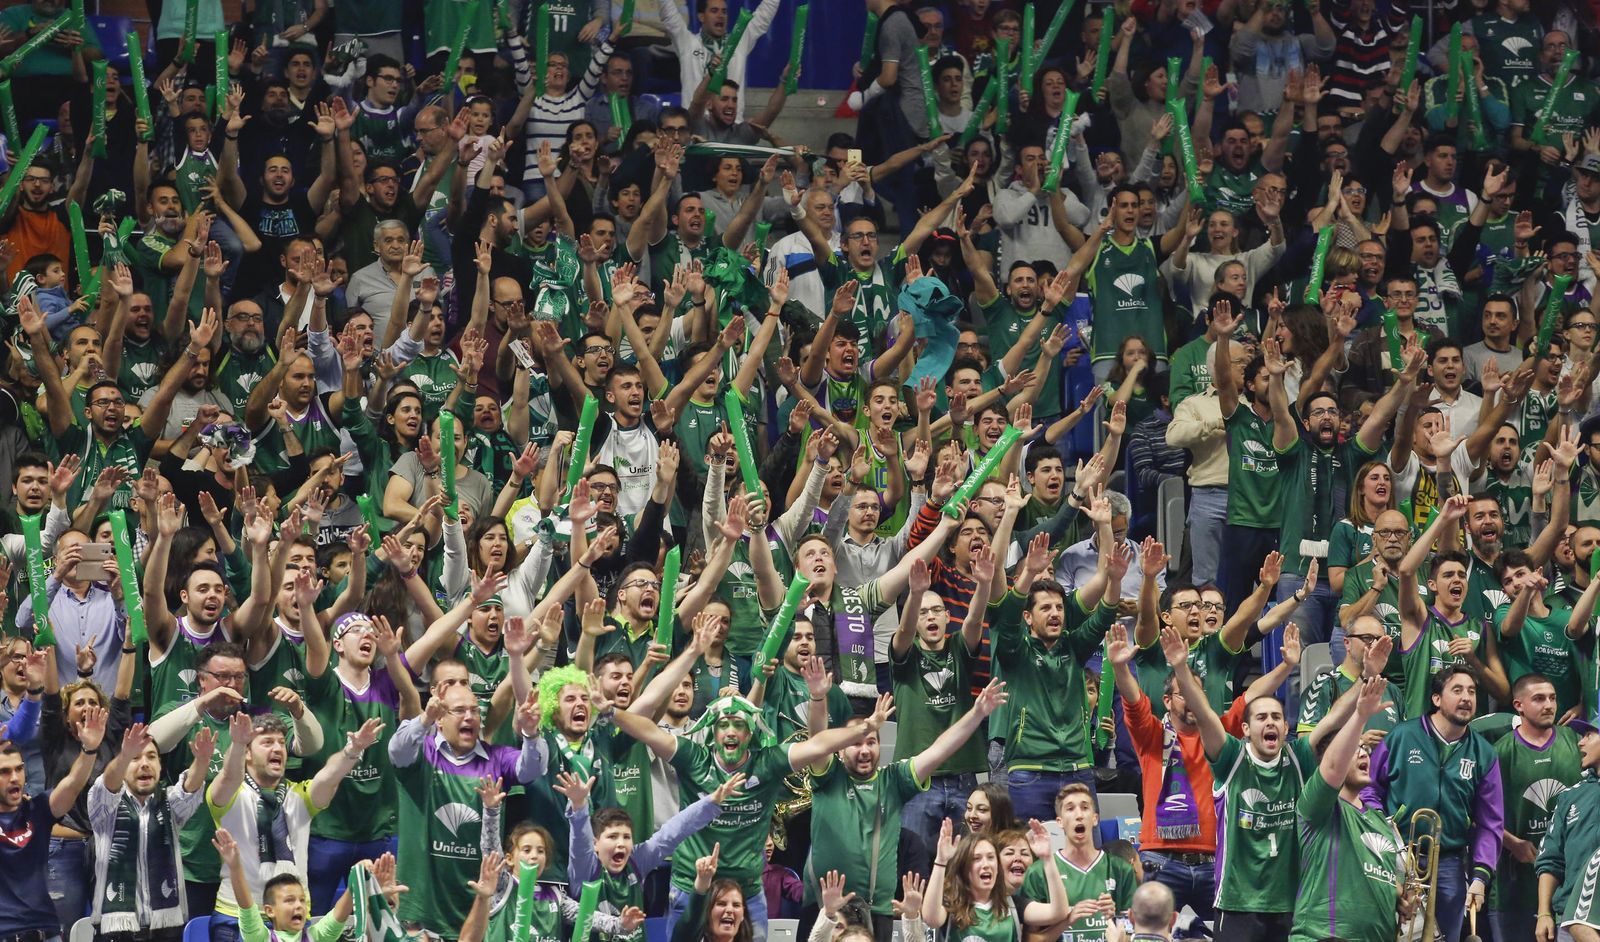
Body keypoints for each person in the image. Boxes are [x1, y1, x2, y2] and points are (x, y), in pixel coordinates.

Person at [1363, 666, 1504, 942]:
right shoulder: (1402, 737)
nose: (1467, 698)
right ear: (1436, 699)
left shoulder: (1484, 754)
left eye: (1472, 692)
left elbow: (1490, 822)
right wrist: (1384, 830)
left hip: (1450, 862)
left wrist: (1480, 876)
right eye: (1458, 690)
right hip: (1397, 858)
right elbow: (1368, 789)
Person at [1289, 676, 1408, 942]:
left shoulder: (1381, 822)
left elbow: (1382, 876)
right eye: (1355, 749)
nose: (1364, 754)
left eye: (1366, 749)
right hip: (1321, 936)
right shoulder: (1317, 806)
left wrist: (1398, 897)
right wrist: (1360, 715)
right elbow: (1332, 768)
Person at [87, 723, 214, 938]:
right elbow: (107, 786)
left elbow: (189, 790)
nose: (144, 764)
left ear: (160, 765)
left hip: (166, 929)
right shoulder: (104, 808)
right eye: (135, 758)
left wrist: (202, 760)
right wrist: (125, 755)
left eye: (151, 757)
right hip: (116, 930)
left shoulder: (169, 804)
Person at [1489, 674, 1585, 942]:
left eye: (1552, 698)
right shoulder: (1500, 752)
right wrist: (1512, 843)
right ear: (1518, 705)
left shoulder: (1576, 743)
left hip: (1570, 884)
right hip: (1514, 886)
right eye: (1539, 699)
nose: (1549, 705)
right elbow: (1477, 813)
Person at [0, 705, 106, 942]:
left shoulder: (36, 809)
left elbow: (71, 784)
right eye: (4, 772)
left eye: (19, 769)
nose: (15, 777)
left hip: (47, 934)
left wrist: (89, 749)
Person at [1533, 718, 1600, 942]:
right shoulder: (1570, 796)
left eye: (1589, 735)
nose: (1581, 743)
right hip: (1568, 922)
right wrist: (1544, 913)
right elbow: (1550, 860)